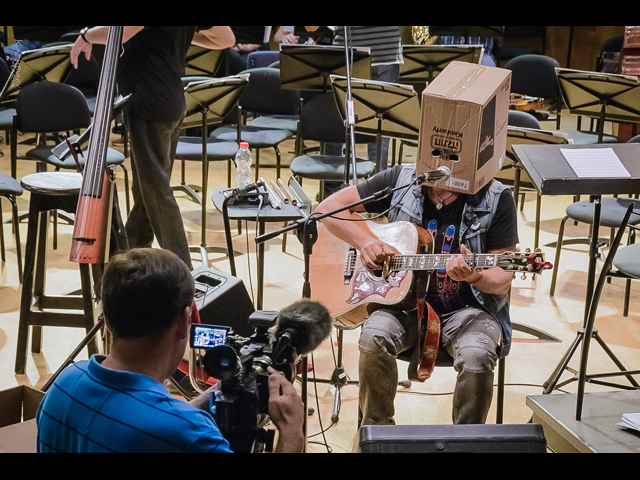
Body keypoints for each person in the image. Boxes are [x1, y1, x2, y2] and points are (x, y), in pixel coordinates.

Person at [36, 248, 305, 453]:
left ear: (106, 318)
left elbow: (140, 419)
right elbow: (166, 428)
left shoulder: (64, 385)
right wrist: (292, 430)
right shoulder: (191, 435)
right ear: (183, 320)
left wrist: (220, 391)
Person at [315, 164, 519, 426]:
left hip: (469, 312)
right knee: (373, 335)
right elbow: (328, 210)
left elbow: (502, 279)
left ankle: (467, 442)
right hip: (402, 306)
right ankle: (378, 438)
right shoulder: (402, 180)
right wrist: (365, 243)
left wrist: (474, 277)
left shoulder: (496, 196)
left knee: (476, 355)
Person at [70, 26, 236, 271]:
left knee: (156, 191)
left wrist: (85, 36)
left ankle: (184, 272)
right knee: (146, 190)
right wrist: (184, 36)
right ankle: (128, 260)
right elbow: (227, 38)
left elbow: (121, 32)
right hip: (171, 101)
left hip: (149, 103)